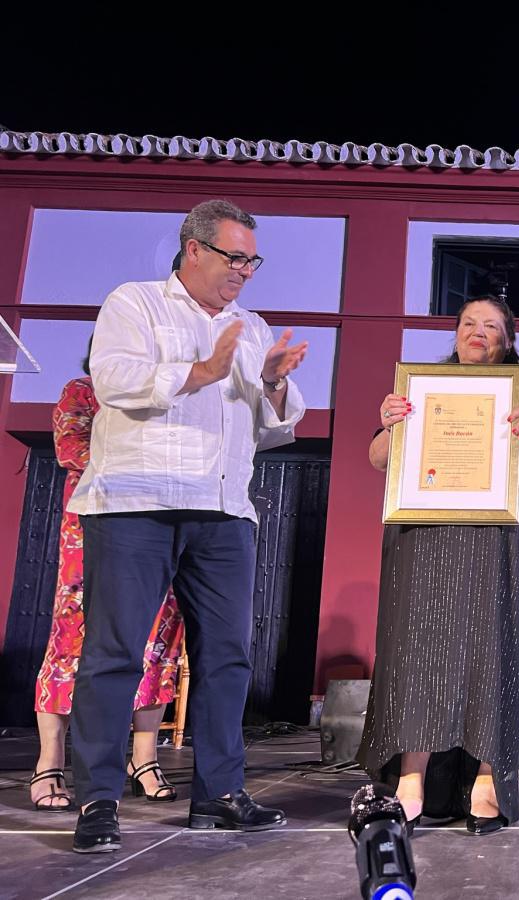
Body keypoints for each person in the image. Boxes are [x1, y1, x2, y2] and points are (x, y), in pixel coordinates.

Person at [68, 199, 308, 853]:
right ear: (194, 249)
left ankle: (219, 795)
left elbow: (277, 428)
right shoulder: (136, 303)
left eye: (253, 260)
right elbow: (112, 379)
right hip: (134, 503)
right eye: (236, 257)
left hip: (225, 509)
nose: (245, 271)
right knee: (114, 655)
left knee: (227, 658)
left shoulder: (251, 327)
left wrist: (276, 385)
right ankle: (95, 799)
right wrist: (199, 373)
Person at [359, 296, 519, 836]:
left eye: (490, 325)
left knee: (496, 652)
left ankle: (488, 777)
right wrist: (390, 423)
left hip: (502, 548)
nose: (476, 332)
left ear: (509, 338)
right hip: (429, 542)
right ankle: (410, 780)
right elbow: (378, 460)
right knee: (421, 650)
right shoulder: (424, 390)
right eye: (467, 324)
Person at [30, 361, 185, 812]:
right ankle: (50, 763)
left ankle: (145, 760)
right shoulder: (82, 390)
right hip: (94, 527)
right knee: (73, 638)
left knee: (158, 640)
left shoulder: (167, 394)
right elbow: (72, 449)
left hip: (162, 523)